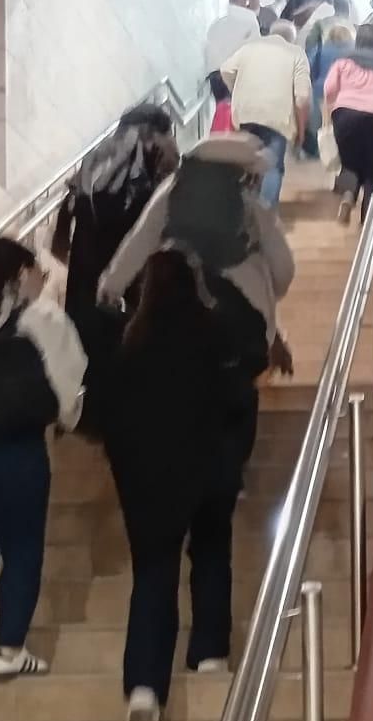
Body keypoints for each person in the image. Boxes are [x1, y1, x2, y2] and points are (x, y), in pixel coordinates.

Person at [97, 248, 252, 721]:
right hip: (207, 469)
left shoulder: (130, 346)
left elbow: (110, 420)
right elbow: (239, 399)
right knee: (209, 554)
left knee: (152, 574)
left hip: (150, 482)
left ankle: (145, 688)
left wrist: (127, 473)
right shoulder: (214, 334)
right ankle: (209, 655)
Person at [97, 132, 295, 474]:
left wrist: (110, 287)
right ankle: (231, 468)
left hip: (176, 298)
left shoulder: (171, 191)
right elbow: (284, 267)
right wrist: (271, 298)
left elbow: (140, 240)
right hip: (242, 308)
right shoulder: (249, 203)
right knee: (238, 383)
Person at [0, 239, 85, 680]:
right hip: (19, 448)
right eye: (39, 271)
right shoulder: (42, 317)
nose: (43, 280)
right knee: (23, 547)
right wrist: (67, 416)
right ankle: (9, 649)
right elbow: (71, 379)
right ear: (22, 272)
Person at [52, 103, 178, 330]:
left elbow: (62, 244)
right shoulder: (141, 185)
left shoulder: (94, 168)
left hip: (82, 301)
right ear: (152, 135)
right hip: (120, 307)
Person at [219, 22, 311, 206]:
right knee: (272, 167)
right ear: (291, 39)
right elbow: (302, 97)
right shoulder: (296, 53)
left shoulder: (249, 48)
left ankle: (242, 213)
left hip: (246, 113)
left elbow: (225, 70)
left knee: (247, 163)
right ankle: (265, 216)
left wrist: (236, 90)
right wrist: (301, 133)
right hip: (276, 118)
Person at [323, 23, 373, 223]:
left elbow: (329, 89)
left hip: (345, 116)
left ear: (357, 40)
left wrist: (333, 106)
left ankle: (348, 194)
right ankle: (367, 221)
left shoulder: (343, 62)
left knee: (349, 163)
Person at [204, 0, 259, 103]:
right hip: (234, 75)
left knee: (222, 111)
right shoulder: (249, 21)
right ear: (242, 1)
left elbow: (208, 51)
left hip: (215, 75)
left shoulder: (216, 24)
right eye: (245, 3)